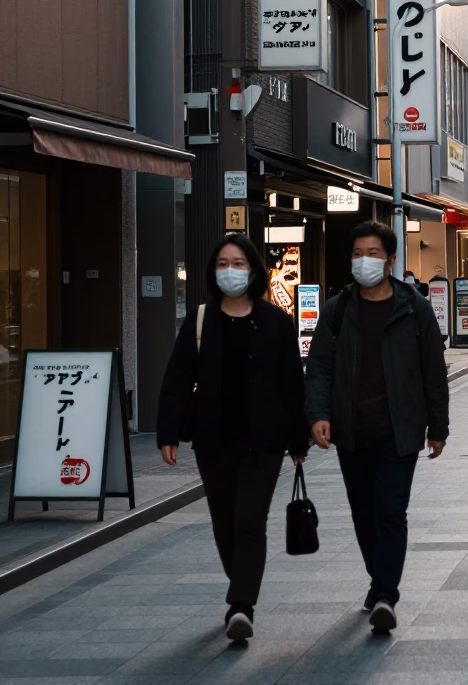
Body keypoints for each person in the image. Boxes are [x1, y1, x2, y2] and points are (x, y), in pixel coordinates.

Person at [157, 234, 308, 643]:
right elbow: (176, 380)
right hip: (213, 440)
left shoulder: (276, 321)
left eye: (238, 263)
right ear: (212, 271)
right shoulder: (200, 320)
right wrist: (167, 431)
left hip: (265, 441)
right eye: (223, 263)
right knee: (224, 522)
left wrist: (299, 440)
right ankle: (241, 581)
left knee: (248, 520)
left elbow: (292, 384)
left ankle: (241, 605)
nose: (230, 271)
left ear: (254, 270)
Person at [305, 221, 449, 635]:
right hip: (352, 431)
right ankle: (379, 579)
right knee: (363, 515)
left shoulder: (414, 307)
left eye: (372, 254)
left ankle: (386, 594)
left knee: (390, 511)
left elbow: (433, 372)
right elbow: (319, 369)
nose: (363, 261)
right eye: (356, 253)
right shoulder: (338, 309)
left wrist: (437, 426)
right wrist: (318, 414)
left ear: (389, 260)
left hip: (399, 431)